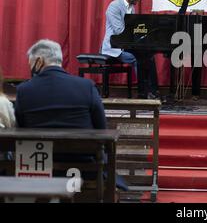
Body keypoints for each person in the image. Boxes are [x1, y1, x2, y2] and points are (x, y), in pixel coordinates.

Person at [14, 39, 128, 190]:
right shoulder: (85, 86)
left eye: (31, 64)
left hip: (39, 167)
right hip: (84, 168)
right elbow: (101, 127)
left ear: (39, 61)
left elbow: (20, 128)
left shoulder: (24, 90)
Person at [101, 0, 159, 99]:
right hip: (113, 47)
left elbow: (132, 29)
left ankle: (153, 91)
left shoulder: (131, 7)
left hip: (125, 45)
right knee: (137, 59)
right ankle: (143, 93)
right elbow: (119, 31)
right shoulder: (114, 6)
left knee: (149, 56)